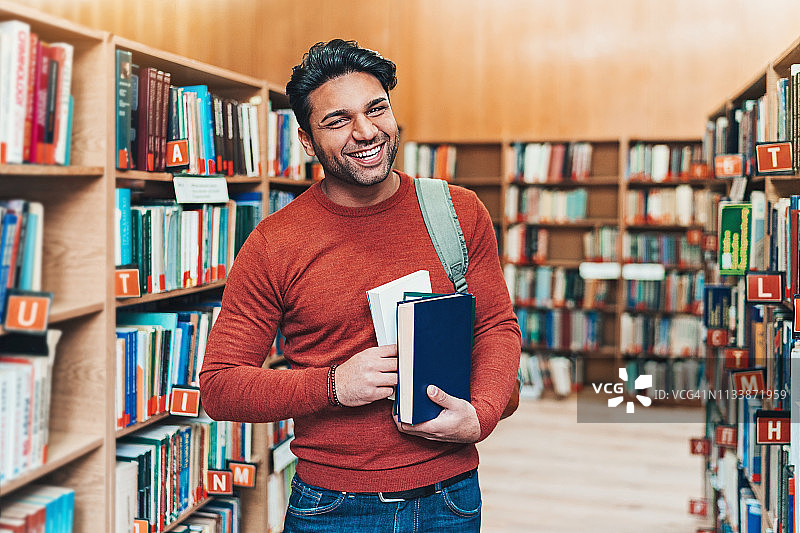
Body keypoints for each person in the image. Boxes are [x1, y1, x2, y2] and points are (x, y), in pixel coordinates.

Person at [199, 38, 521, 532]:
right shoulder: (274, 242)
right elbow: (221, 388)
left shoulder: (458, 212)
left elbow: (496, 326)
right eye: (338, 119)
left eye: (377, 109)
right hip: (334, 505)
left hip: (450, 496)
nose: (366, 131)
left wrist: (483, 414)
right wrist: (333, 385)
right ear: (307, 141)